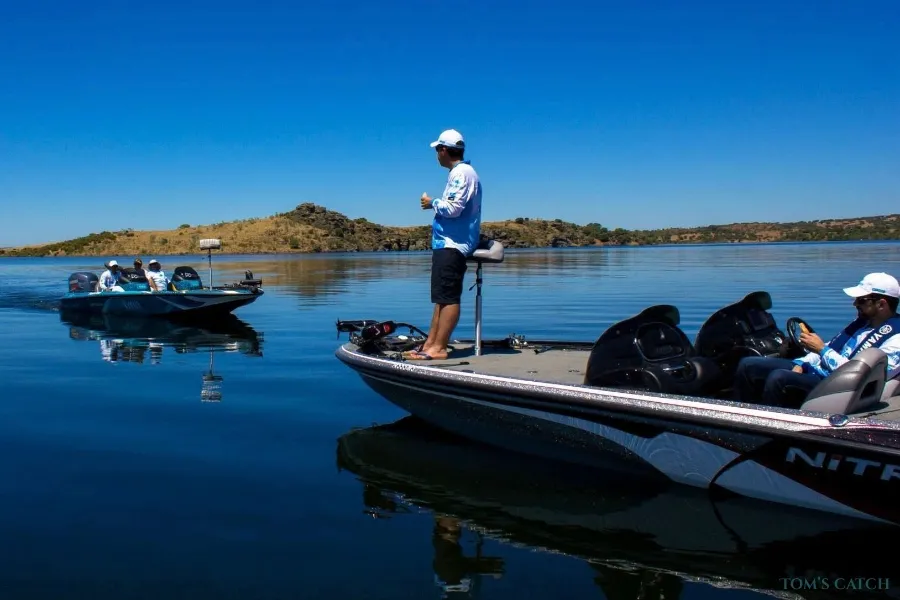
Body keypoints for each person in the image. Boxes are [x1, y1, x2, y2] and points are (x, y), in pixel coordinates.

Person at [734, 272, 900, 408]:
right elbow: (833, 346)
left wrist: (822, 350)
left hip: (836, 387)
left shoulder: (896, 340)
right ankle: (741, 416)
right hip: (818, 369)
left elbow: (858, 375)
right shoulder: (863, 324)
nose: (855, 304)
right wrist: (801, 363)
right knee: (748, 365)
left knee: (778, 378)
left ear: (881, 304)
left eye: (862, 300)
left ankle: (768, 432)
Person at [406, 129, 483, 361]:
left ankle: (439, 348)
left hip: (453, 245)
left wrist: (432, 203)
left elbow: (453, 208)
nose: (436, 155)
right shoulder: (459, 173)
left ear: (443, 150)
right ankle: (431, 343)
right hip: (446, 244)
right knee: (441, 297)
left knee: (449, 298)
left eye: (437, 150)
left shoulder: (462, 173)